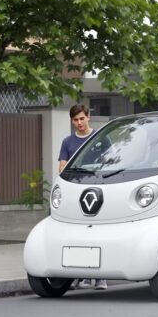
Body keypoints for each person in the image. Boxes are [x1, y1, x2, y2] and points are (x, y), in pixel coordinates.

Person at [58, 104, 107, 291]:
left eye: (82, 118)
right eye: (75, 120)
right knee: (77, 235)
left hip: (98, 192)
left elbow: (109, 163)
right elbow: (62, 168)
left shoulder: (100, 139)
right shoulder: (67, 142)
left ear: (88, 117)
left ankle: (100, 277)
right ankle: (79, 276)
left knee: (98, 233)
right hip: (76, 192)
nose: (79, 123)